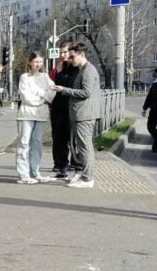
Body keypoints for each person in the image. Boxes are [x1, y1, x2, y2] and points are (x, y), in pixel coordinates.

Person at [53, 43, 101, 189]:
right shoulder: (83, 69)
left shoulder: (88, 71)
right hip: (80, 113)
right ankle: (85, 176)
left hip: (84, 114)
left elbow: (86, 93)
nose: (70, 59)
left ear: (82, 55)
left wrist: (64, 90)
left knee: (85, 147)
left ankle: (87, 178)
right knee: (82, 146)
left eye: (73, 56)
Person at [15, 52, 57, 185]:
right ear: (30, 62)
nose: (38, 64)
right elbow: (25, 96)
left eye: (40, 62)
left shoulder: (45, 77)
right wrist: (41, 97)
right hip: (27, 113)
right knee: (24, 142)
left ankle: (35, 171)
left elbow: (52, 92)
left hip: (41, 114)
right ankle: (23, 173)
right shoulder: (24, 77)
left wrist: (41, 95)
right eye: (35, 62)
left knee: (37, 143)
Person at [49, 42, 77, 177]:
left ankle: (76, 164)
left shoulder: (77, 67)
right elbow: (52, 84)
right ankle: (61, 165)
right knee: (59, 138)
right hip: (58, 107)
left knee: (73, 139)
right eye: (61, 52)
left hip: (71, 107)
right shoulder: (59, 67)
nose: (63, 55)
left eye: (65, 52)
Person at [142, 77, 157, 153]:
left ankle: (155, 147)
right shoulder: (154, 86)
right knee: (150, 127)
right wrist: (145, 108)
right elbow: (149, 98)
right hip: (154, 110)